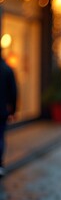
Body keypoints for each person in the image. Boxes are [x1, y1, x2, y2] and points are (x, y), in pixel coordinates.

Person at [0, 46, 17, 177]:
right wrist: (13, 109)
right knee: (0, 136)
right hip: (2, 110)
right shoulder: (7, 69)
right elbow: (14, 92)